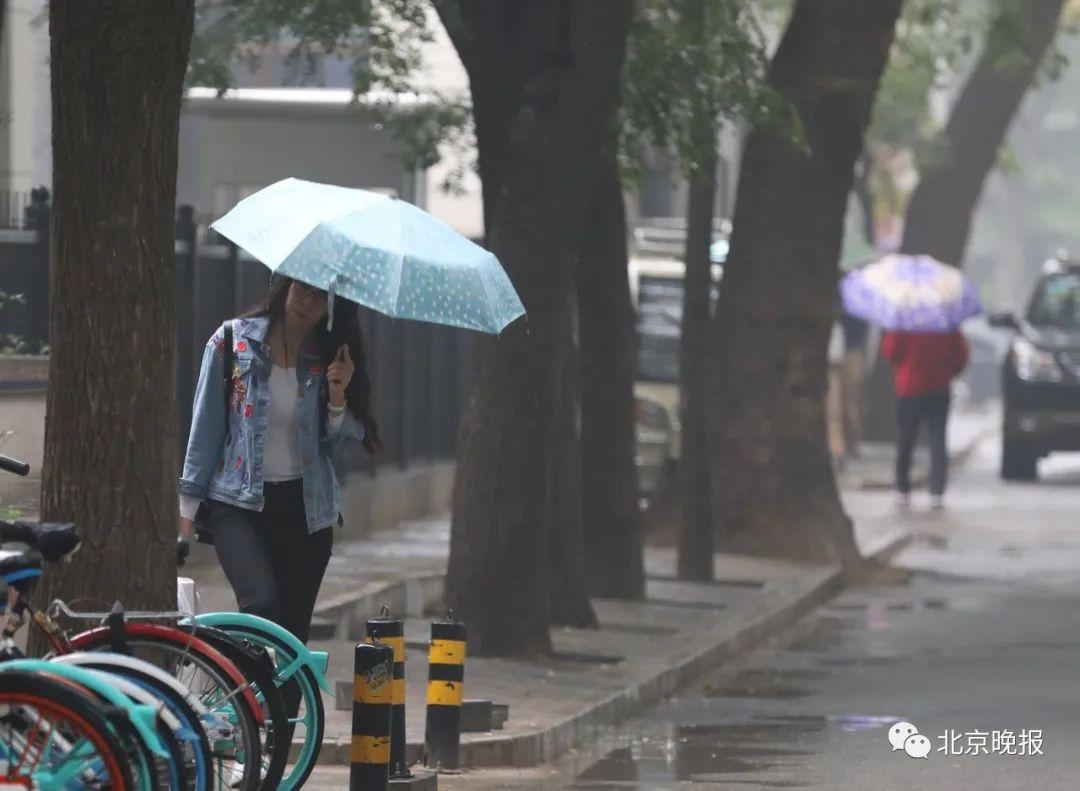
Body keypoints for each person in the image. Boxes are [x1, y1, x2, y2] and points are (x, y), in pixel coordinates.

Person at [178, 275, 381, 724]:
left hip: (306, 514)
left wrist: (337, 394)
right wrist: (186, 515)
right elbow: (204, 429)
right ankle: (237, 699)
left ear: (331, 307)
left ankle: (276, 746)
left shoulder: (328, 358)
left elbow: (343, 439)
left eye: (319, 296)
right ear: (284, 286)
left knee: (292, 639)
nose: (307, 301)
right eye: (301, 289)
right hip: (239, 505)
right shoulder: (231, 342)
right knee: (260, 608)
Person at [881, 328, 969, 509]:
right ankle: (937, 490)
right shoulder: (946, 322)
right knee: (938, 438)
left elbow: (890, 351)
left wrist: (902, 367)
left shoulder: (905, 321)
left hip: (909, 386)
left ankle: (902, 487)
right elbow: (961, 354)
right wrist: (949, 372)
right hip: (939, 385)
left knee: (906, 438)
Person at [840, 310, 869, 457]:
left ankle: (849, 442)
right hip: (854, 352)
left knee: (849, 402)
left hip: (848, 351)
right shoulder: (859, 309)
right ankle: (851, 443)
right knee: (852, 401)